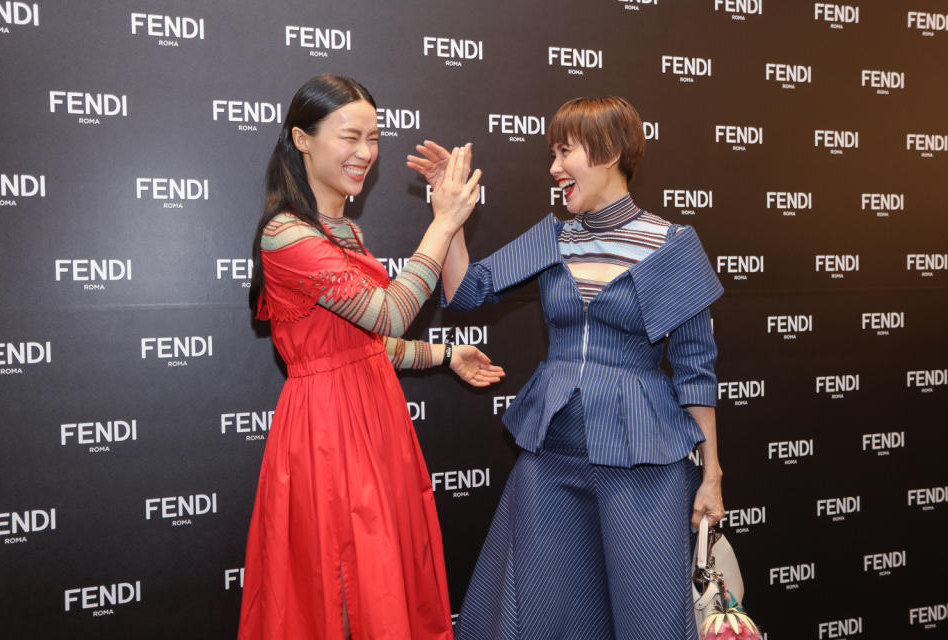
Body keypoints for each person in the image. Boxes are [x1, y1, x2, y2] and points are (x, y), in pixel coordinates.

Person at [407, 96, 725, 639]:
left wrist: (711, 473)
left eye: (565, 151)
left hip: (643, 465)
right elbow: (464, 291)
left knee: (649, 621)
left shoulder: (672, 245)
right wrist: (449, 217)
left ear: (613, 151)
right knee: (542, 615)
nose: (553, 168)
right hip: (551, 457)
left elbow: (696, 368)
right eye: (552, 153)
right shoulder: (554, 236)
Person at [238, 74, 504, 640]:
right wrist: (443, 222)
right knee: (338, 584)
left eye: (374, 138)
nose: (365, 153)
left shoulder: (344, 232)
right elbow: (387, 314)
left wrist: (445, 353)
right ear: (302, 139)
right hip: (327, 434)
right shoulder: (286, 235)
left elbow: (362, 345)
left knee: (382, 580)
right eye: (349, 137)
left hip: (375, 420)